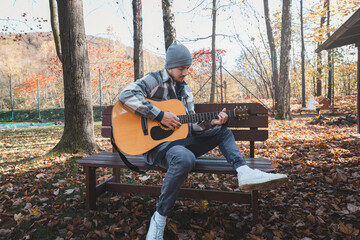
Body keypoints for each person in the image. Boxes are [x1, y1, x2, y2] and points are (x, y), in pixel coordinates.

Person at [118, 41, 287, 240]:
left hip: (179, 143)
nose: (185, 72)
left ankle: (244, 173)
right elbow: (126, 95)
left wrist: (211, 123)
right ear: (170, 66)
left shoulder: (185, 91)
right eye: (182, 68)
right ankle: (160, 218)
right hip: (155, 146)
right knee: (185, 158)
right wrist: (159, 115)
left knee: (222, 131)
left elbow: (190, 128)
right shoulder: (154, 79)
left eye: (187, 68)